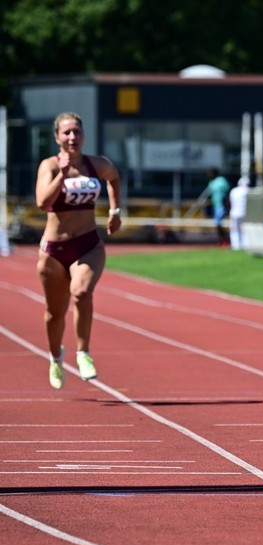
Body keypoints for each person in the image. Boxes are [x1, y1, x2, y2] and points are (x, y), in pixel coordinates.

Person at [35, 112, 122, 390]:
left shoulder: (97, 165)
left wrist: (115, 210)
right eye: (66, 133)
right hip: (54, 249)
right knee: (54, 312)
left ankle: (83, 353)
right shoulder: (49, 166)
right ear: (57, 137)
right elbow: (42, 203)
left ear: (83, 135)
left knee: (82, 292)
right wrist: (62, 174)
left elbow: (114, 177)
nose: (72, 137)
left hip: (87, 244)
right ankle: (55, 358)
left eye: (77, 132)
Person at [206, 167, 231, 246]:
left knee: (219, 224)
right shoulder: (211, 182)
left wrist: (227, 203)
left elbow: (227, 191)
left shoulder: (221, 180)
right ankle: (222, 240)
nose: (209, 175)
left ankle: (226, 239)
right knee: (217, 224)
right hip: (215, 206)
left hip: (222, 205)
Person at [229, 176, 251, 250]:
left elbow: (231, 201)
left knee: (235, 229)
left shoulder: (234, 191)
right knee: (245, 230)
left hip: (234, 212)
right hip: (245, 213)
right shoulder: (248, 191)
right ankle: (245, 244)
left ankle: (235, 245)